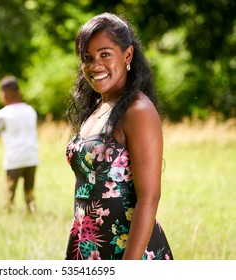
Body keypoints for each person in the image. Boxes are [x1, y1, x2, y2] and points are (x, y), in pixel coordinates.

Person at [65, 12, 173, 260]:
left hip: (128, 251)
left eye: (105, 54)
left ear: (127, 55)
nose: (95, 65)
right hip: (89, 245)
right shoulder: (99, 108)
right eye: (87, 57)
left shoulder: (138, 110)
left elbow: (149, 197)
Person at [0, 76, 38, 214]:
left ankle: (8, 215)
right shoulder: (30, 110)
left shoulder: (2, 114)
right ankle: (31, 214)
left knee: (9, 193)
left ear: (4, 94)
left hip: (14, 159)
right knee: (29, 192)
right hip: (32, 157)